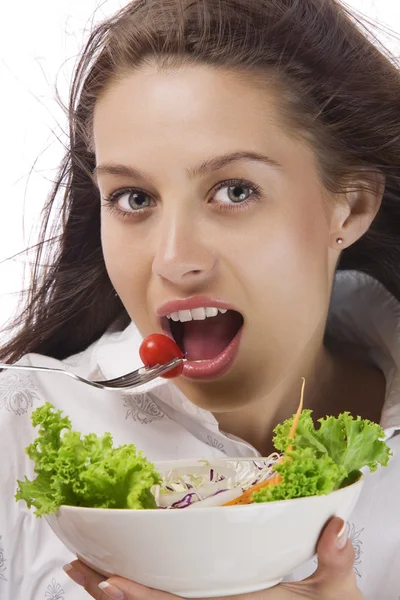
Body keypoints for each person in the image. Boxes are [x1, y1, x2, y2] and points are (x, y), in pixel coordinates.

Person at [1, 0, 400, 598]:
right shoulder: (15, 433)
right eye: (134, 198)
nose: (174, 259)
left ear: (353, 204)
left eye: (234, 191)